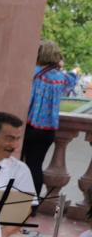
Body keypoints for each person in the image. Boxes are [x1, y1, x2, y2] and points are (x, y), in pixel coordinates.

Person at [21, 40, 78, 196]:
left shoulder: (33, 72)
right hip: (48, 130)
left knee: (19, 165)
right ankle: (32, 204)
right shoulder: (61, 77)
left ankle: (14, 203)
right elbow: (73, 80)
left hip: (30, 126)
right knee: (36, 165)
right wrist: (60, 64)